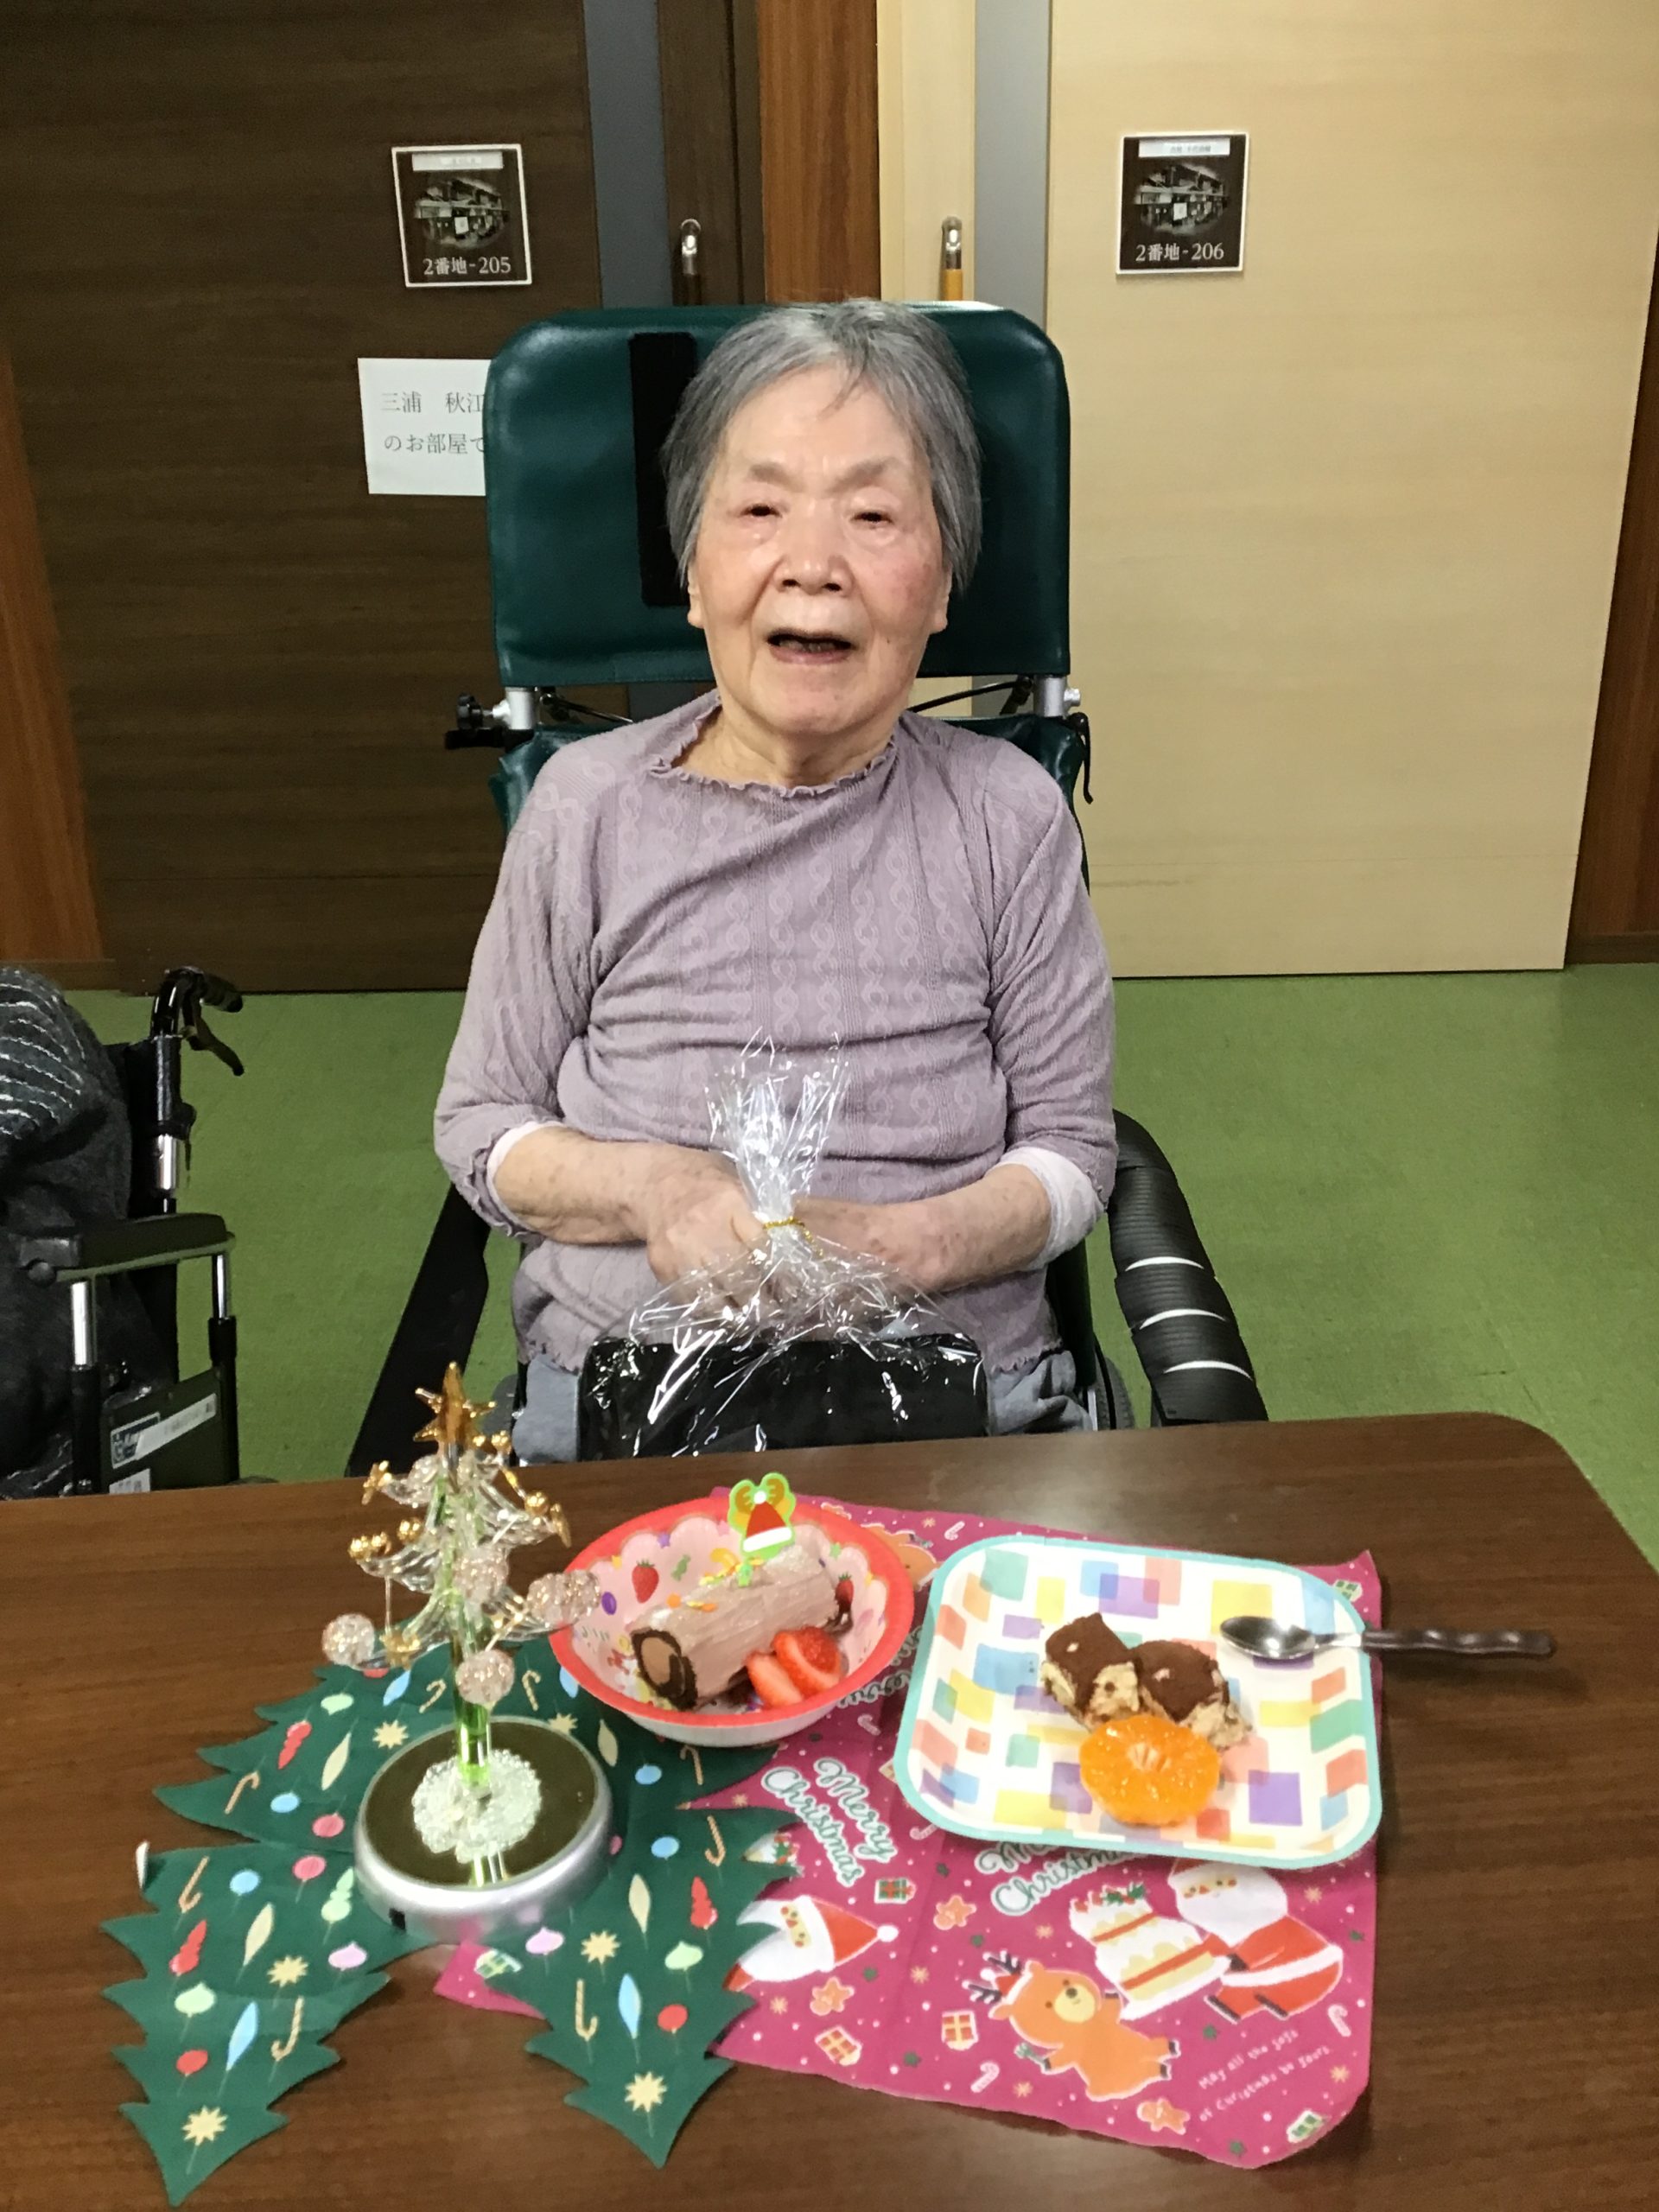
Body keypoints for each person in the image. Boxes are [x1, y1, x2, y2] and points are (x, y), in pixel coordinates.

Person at [435, 299, 1115, 1459]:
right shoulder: (585, 807)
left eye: (873, 514)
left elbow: (1072, 1154)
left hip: (956, 1406)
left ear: (941, 588)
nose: (813, 567)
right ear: (695, 576)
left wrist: (906, 1246)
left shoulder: (1008, 815)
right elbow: (483, 1125)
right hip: (624, 1408)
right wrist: (658, 1192)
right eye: (759, 509)